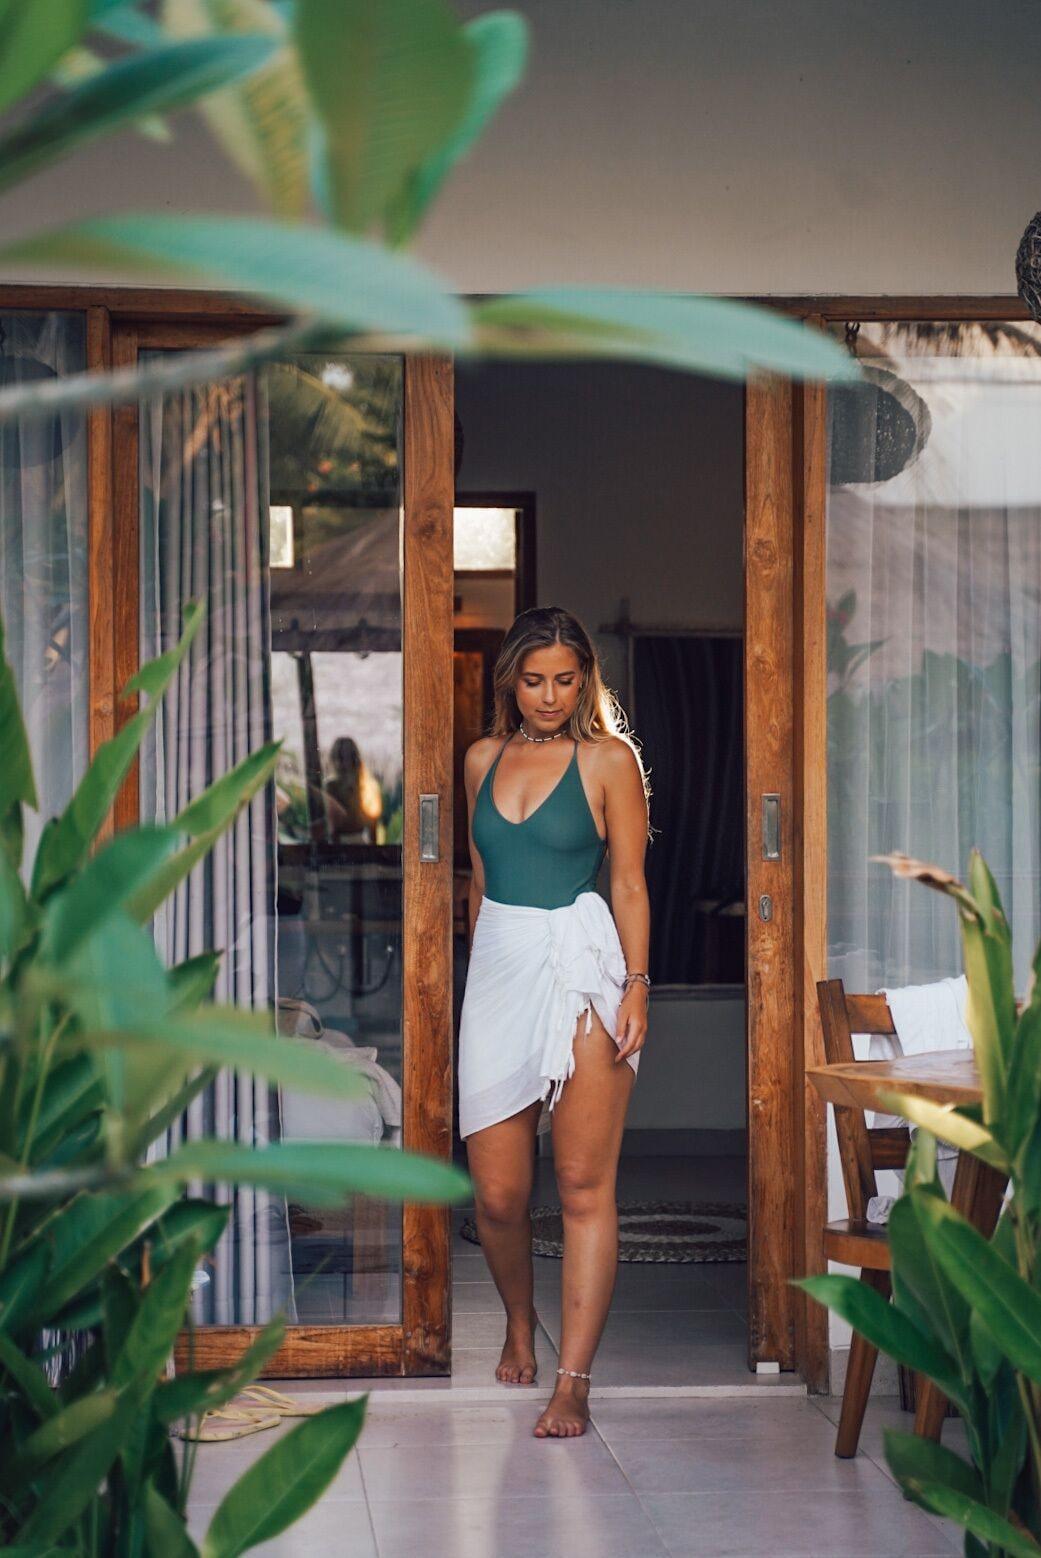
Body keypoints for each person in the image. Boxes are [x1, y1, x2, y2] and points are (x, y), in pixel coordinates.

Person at [458, 605, 650, 1439]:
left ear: (585, 682)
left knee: (580, 1183)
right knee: (499, 1195)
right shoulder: (480, 759)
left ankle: (572, 1381)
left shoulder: (609, 760)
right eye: (533, 680)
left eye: (564, 680)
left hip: (582, 967)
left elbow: (629, 882)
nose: (547, 696)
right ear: (511, 682)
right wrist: (479, 983)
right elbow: (478, 881)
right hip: (501, 968)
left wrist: (636, 985)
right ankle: (516, 1321)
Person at [324, 735, 383, 841]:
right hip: (341, 843)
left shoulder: (367, 786)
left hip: (359, 842)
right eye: (341, 757)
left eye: (348, 756)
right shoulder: (331, 786)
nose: (344, 762)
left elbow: (372, 823)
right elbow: (332, 825)